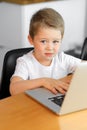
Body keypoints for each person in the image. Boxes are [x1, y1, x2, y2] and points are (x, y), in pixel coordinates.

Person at [10, 8, 81, 95]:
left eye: (55, 41)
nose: (50, 48)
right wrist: (44, 81)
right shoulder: (25, 62)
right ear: (31, 39)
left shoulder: (62, 58)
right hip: (32, 104)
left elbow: (84, 68)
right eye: (43, 41)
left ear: (61, 40)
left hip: (57, 99)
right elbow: (14, 89)